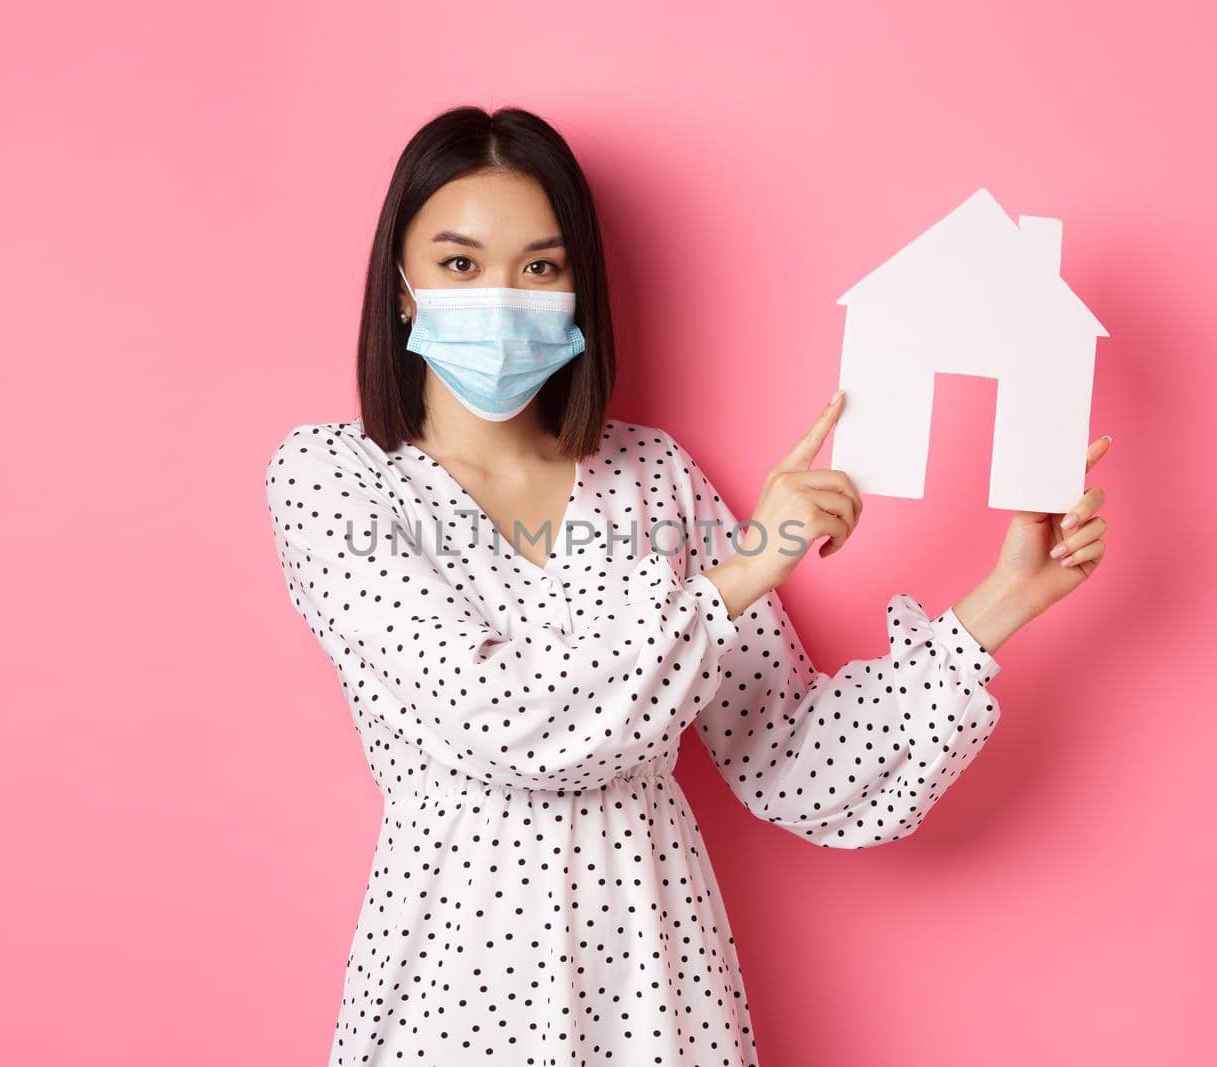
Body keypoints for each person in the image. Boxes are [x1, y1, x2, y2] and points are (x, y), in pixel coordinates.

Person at [264, 105, 1110, 1067]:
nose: (502, 296)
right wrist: (750, 564)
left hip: (654, 977)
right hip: (453, 977)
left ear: (579, 288)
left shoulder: (652, 476)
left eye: (540, 267)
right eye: (461, 264)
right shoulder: (336, 481)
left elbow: (793, 753)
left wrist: (1004, 599)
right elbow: (501, 716)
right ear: (404, 287)